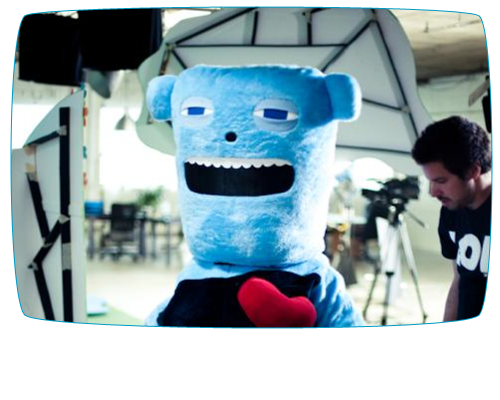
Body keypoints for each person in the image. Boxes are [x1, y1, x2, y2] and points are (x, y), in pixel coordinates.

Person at [411, 116, 491, 321]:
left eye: (441, 181)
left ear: (473, 170)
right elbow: (459, 280)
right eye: (430, 181)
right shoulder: (450, 211)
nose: (433, 192)